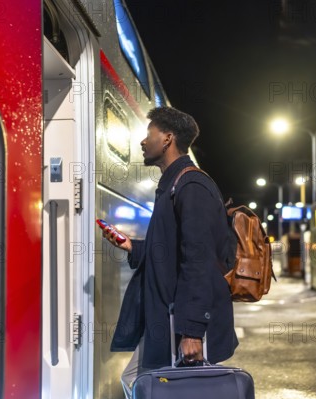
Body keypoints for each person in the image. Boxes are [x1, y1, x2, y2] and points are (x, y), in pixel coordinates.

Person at [102, 106, 238, 398]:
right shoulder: (174, 185)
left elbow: (199, 261)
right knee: (140, 381)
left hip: (181, 321)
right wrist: (132, 246)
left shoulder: (192, 185)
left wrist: (192, 332)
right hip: (167, 319)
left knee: (154, 385)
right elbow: (173, 250)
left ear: (167, 138)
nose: (142, 141)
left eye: (148, 134)